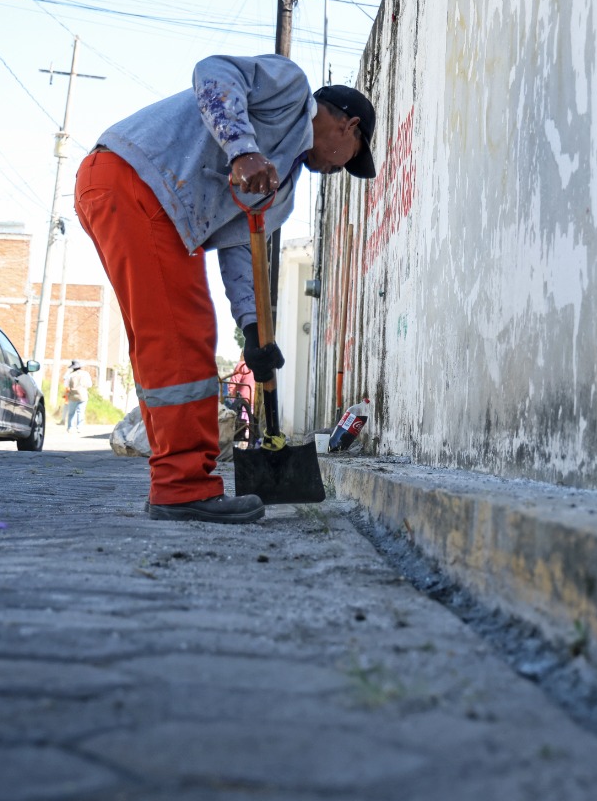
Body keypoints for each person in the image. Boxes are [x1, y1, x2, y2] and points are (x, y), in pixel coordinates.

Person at [74, 54, 375, 524]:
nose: (340, 172)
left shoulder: (283, 188)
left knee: (165, 339)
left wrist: (254, 328)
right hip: (136, 180)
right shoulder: (292, 92)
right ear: (347, 127)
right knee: (181, 337)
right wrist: (240, 148)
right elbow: (213, 72)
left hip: (148, 202)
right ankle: (183, 488)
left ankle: (172, 482)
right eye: (350, 160)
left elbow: (242, 249)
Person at [62, 360, 92, 434]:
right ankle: (79, 427)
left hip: (73, 395)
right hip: (83, 395)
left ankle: (70, 428)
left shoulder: (70, 375)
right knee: (81, 412)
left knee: (71, 412)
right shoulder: (85, 374)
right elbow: (89, 385)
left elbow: (66, 385)